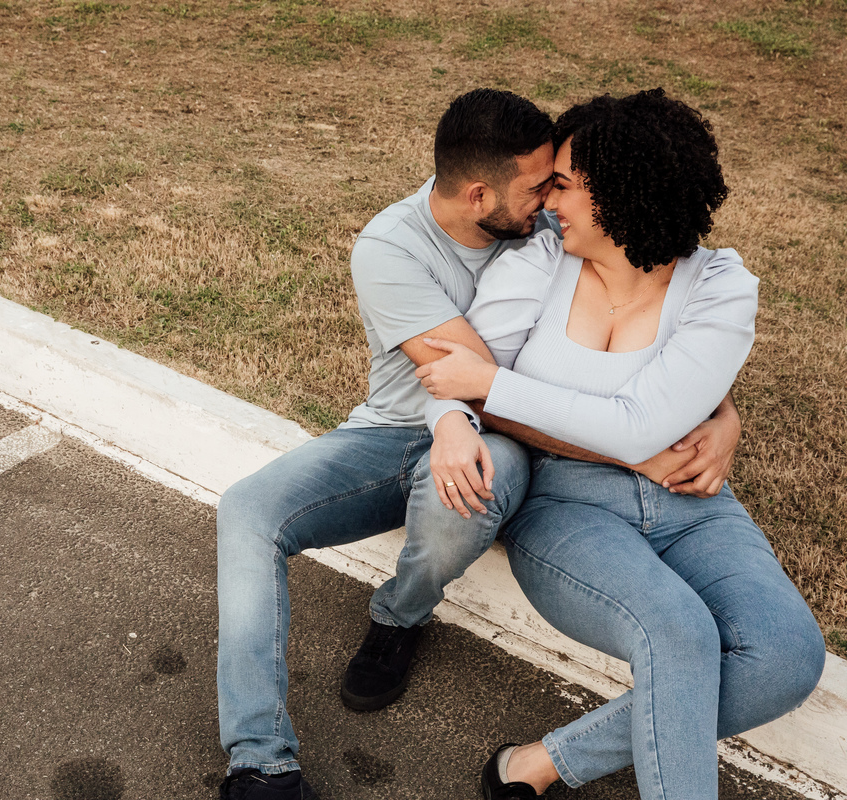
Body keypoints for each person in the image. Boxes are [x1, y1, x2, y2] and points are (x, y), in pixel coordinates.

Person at [215, 88, 743, 800]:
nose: (550, 201)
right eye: (538, 188)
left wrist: (722, 411)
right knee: (247, 512)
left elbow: (644, 318)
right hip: (397, 429)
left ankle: (399, 614)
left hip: (508, 441)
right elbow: (470, 382)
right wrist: (632, 449)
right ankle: (260, 763)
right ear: (477, 196)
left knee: (466, 490)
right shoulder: (392, 249)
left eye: (557, 184)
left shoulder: (551, 226)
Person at [414, 89, 825, 800]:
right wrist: (471, 392)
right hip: (566, 505)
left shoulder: (720, 287)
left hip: (693, 503)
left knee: (787, 656)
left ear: (621, 195)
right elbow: (454, 379)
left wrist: (495, 383)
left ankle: (541, 763)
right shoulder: (540, 262)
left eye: (564, 186)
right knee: (678, 632)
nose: (548, 203)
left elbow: (639, 426)